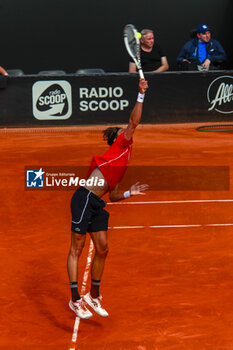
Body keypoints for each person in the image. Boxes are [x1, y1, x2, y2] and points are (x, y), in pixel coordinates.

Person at [67, 78, 149, 319]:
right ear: (118, 138)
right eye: (123, 131)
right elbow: (135, 120)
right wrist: (141, 94)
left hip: (97, 203)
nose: (128, 131)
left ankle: (93, 295)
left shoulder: (122, 161)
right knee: (77, 249)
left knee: (103, 248)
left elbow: (112, 195)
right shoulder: (121, 144)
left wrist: (128, 193)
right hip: (84, 198)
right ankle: (75, 299)